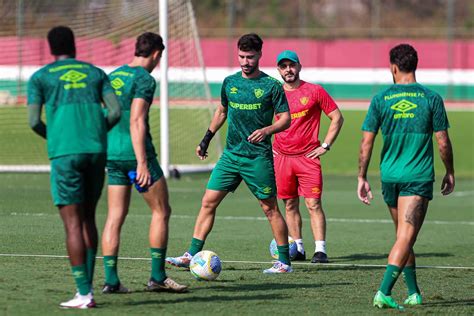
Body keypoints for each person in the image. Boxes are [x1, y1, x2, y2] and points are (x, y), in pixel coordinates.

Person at [166, 33, 293, 273]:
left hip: (257, 158)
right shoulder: (230, 82)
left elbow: (285, 119)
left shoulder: (271, 86)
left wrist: (267, 130)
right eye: (242, 56)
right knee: (207, 202)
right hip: (231, 157)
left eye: (250, 57)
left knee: (270, 208)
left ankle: (285, 262)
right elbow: (222, 111)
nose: (245, 61)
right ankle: (190, 254)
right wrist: (206, 139)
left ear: (259, 56)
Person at [27, 26, 121, 309]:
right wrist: (95, 133)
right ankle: (88, 289)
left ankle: (84, 294)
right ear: (75, 45)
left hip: (65, 154)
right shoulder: (95, 73)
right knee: (89, 218)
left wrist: (55, 137)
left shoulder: (40, 77)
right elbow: (115, 111)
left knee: (72, 223)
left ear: (51, 48)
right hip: (96, 151)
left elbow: (33, 121)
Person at [357, 44, 455, 310]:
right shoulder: (431, 98)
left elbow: (366, 142)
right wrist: (450, 171)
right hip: (417, 177)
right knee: (406, 237)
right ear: (415, 65)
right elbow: (443, 141)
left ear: (393, 67)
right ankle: (384, 292)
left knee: (403, 235)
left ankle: (413, 293)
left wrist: (362, 177)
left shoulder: (381, 98)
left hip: (389, 177)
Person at [101, 32, 187, 294]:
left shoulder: (111, 76)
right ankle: (157, 277)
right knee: (161, 211)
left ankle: (111, 281)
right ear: (157, 54)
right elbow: (136, 120)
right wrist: (141, 163)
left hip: (111, 154)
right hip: (137, 155)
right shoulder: (144, 79)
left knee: (115, 217)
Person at [273, 50, 344, 263]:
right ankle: (299, 248)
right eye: (283, 66)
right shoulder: (274, 93)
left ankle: (320, 250)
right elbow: (264, 122)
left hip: (308, 158)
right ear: (278, 69)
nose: (288, 70)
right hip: (282, 158)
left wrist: (326, 145)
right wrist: (270, 147)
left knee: (313, 203)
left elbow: (337, 117)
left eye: (291, 65)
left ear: (299, 67)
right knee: (289, 205)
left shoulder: (314, 91)